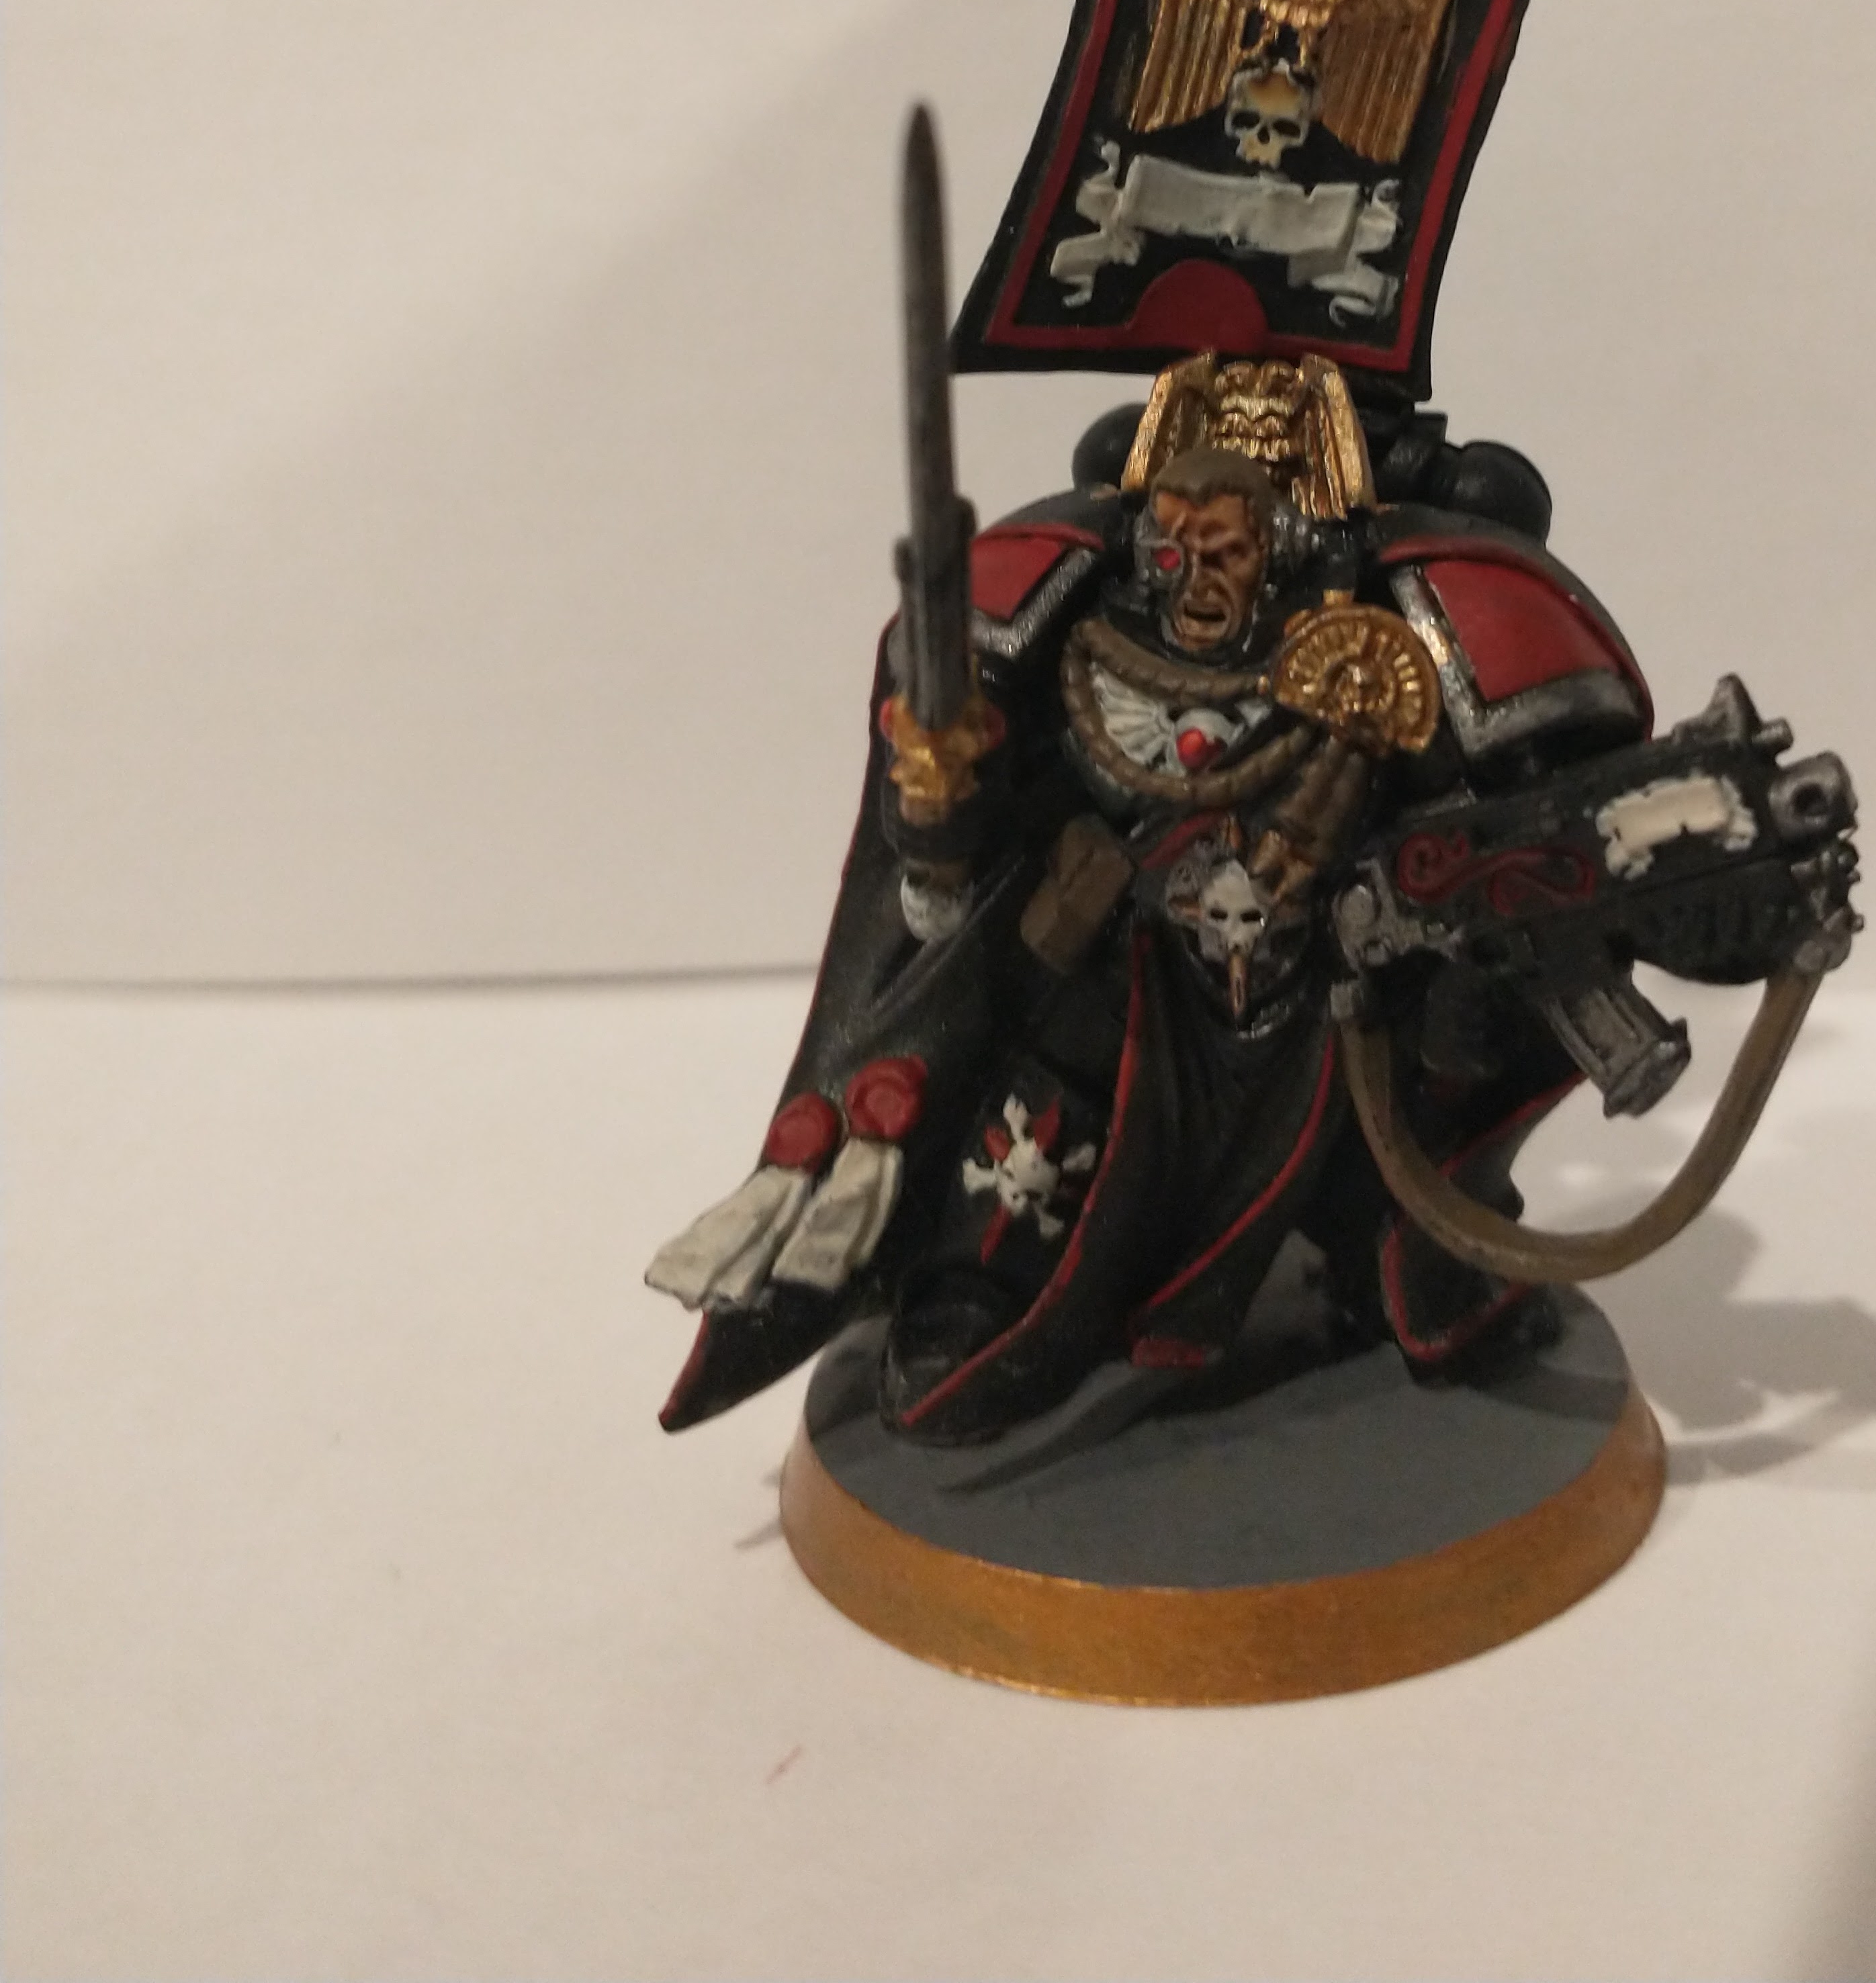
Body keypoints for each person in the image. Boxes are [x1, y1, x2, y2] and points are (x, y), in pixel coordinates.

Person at [647, 361, 1653, 1446]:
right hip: (1116, 993)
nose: (1194, 579)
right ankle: (978, 1289)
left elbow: (1483, 823)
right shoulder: (1085, 646)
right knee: (1028, 1154)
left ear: (1284, 547)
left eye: (1224, 552)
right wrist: (939, 802)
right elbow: (982, 832)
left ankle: (1418, 1275)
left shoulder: (1365, 664)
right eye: (1172, 550)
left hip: (1316, 1011)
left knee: (1396, 1162)